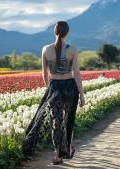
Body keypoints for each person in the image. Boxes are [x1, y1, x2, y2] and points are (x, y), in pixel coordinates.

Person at [22, 21, 85, 165]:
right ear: (67, 33)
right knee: (68, 120)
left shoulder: (45, 49)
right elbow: (76, 73)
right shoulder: (72, 49)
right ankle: (67, 147)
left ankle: (57, 155)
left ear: (54, 32)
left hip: (54, 87)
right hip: (70, 88)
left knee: (56, 122)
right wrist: (81, 94)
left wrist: (49, 89)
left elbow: (44, 74)